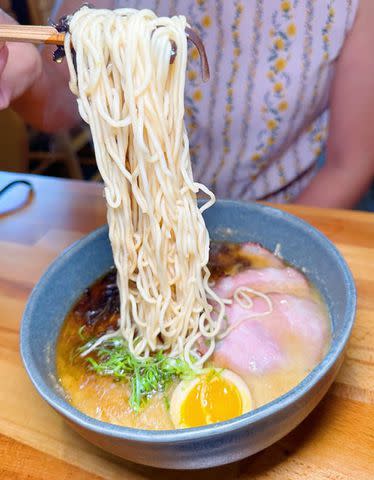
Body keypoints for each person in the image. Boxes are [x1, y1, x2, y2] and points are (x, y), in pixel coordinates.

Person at [1, 0, 374, 208]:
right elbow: (60, 103)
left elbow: (348, 166)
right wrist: (28, 72)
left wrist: (258, 249)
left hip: (284, 212)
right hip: (138, 212)